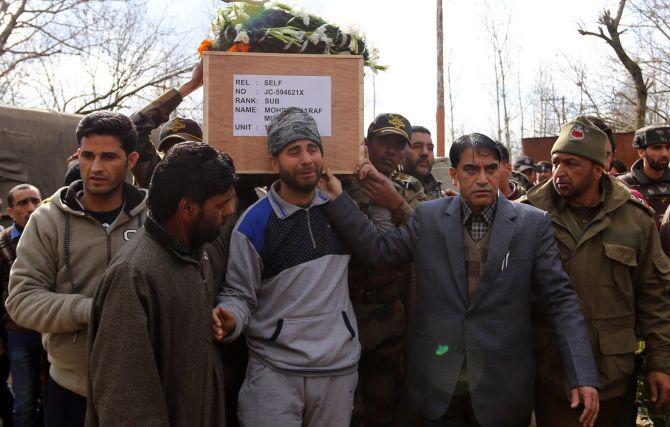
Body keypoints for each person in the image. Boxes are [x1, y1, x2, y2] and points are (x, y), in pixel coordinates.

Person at [321, 132, 600, 427]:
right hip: (439, 388)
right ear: (454, 175)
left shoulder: (532, 224)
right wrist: (338, 200)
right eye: (471, 169)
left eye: (490, 169)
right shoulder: (428, 217)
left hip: (502, 388)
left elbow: (560, 299)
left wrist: (581, 373)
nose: (483, 178)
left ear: (502, 170)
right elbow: (380, 252)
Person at [212, 107, 360, 426]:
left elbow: (378, 248)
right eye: (294, 151)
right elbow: (239, 294)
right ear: (275, 162)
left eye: (312, 148)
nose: (306, 159)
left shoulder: (341, 212)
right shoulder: (253, 223)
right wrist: (230, 318)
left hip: (337, 371)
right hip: (273, 374)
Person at [521, 116, 670, 426]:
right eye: (556, 162)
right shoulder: (526, 214)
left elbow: (654, 296)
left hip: (613, 377)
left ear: (598, 168)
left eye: (572, 164)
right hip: (551, 374)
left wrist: (660, 362)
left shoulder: (634, 219)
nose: (559, 173)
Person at [6, 112, 147, 427]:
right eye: (88, 155)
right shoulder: (47, 221)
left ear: (132, 160)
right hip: (70, 386)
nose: (96, 167)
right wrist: (91, 309)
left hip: (141, 386)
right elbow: (22, 301)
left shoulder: (153, 218)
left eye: (109, 157)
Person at [86, 143, 236, 426]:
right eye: (220, 204)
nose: (228, 212)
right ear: (188, 208)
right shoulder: (133, 276)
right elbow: (125, 406)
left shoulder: (195, 249)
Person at [345, 113, 426, 426]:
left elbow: (427, 240)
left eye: (398, 145)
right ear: (367, 144)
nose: (391, 151)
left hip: (388, 314)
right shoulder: (342, 181)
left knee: (384, 404)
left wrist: (394, 203)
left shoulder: (409, 188)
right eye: (384, 142)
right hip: (344, 311)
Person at [0, 184, 45, 427]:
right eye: (23, 203)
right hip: (18, 333)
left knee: (54, 400)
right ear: (11, 210)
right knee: (24, 402)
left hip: (52, 330)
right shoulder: (3, 243)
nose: (30, 208)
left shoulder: (53, 235)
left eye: (35, 201)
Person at [618, 124, 670, 227]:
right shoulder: (622, 185)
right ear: (641, 152)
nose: (665, 153)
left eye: (668, 147)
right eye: (657, 148)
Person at [402, 125, 443, 200]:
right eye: (417, 146)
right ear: (401, 151)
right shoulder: (385, 188)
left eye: (430, 148)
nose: (425, 152)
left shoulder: (439, 193)